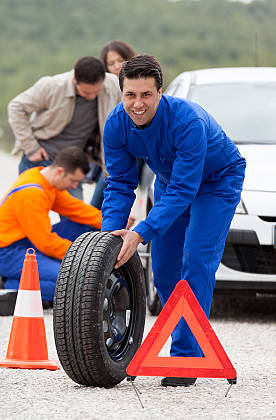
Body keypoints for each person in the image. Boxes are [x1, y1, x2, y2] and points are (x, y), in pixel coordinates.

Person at [100, 55, 246, 387]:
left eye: (146, 95)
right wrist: (110, 236)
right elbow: (121, 183)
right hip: (171, 181)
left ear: (160, 92)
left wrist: (140, 232)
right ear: (121, 93)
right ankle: (183, 334)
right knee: (164, 270)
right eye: (130, 95)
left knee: (196, 259)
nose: (138, 104)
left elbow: (185, 190)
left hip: (217, 182)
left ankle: (186, 357)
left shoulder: (187, 121)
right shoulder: (116, 124)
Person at [0, 147, 102, 305]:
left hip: (28, 241)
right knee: (67, 284)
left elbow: (77, 209)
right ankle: (6, 284)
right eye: (73, 181)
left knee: (84, 224)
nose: (74, 186)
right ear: (60, 171)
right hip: (7, 252)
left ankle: (45, 271)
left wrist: (111, 221)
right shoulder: (32, 193)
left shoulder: (45, 180)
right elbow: (46, 243)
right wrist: (81, 257)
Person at [7, 56, 121, 200]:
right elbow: (16, 106)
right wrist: (31, 147)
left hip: (73, 163)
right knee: (28, 207)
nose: (92, 96)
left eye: (96, 91)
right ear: (75, 80)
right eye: (86, 93)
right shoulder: (52, 86)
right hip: (41, 158)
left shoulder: (112, 85)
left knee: (74, 217)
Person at [90, 40, 138, 209]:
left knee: (103, 205)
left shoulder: (141, 85)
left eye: (121, 60)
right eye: (111, 63)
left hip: (135, 153)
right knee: (99, 205)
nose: (117, 66)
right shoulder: (103, 89)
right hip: (112, 156)